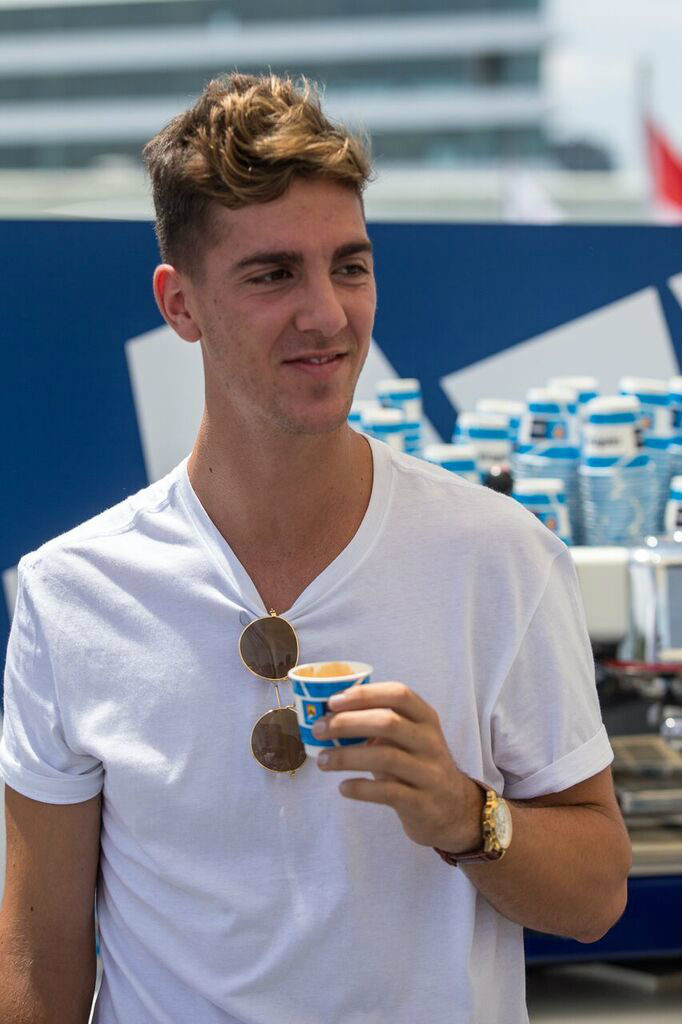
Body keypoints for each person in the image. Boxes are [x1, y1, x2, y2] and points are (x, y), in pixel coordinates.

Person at [0, 73, 631, 1024]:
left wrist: (469, 816)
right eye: (272, 274)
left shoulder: (499, 558)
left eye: (350, 265)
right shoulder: (72, 593)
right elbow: (39, 966)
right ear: (180, 304)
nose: (329, 315)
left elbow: (596, 899)